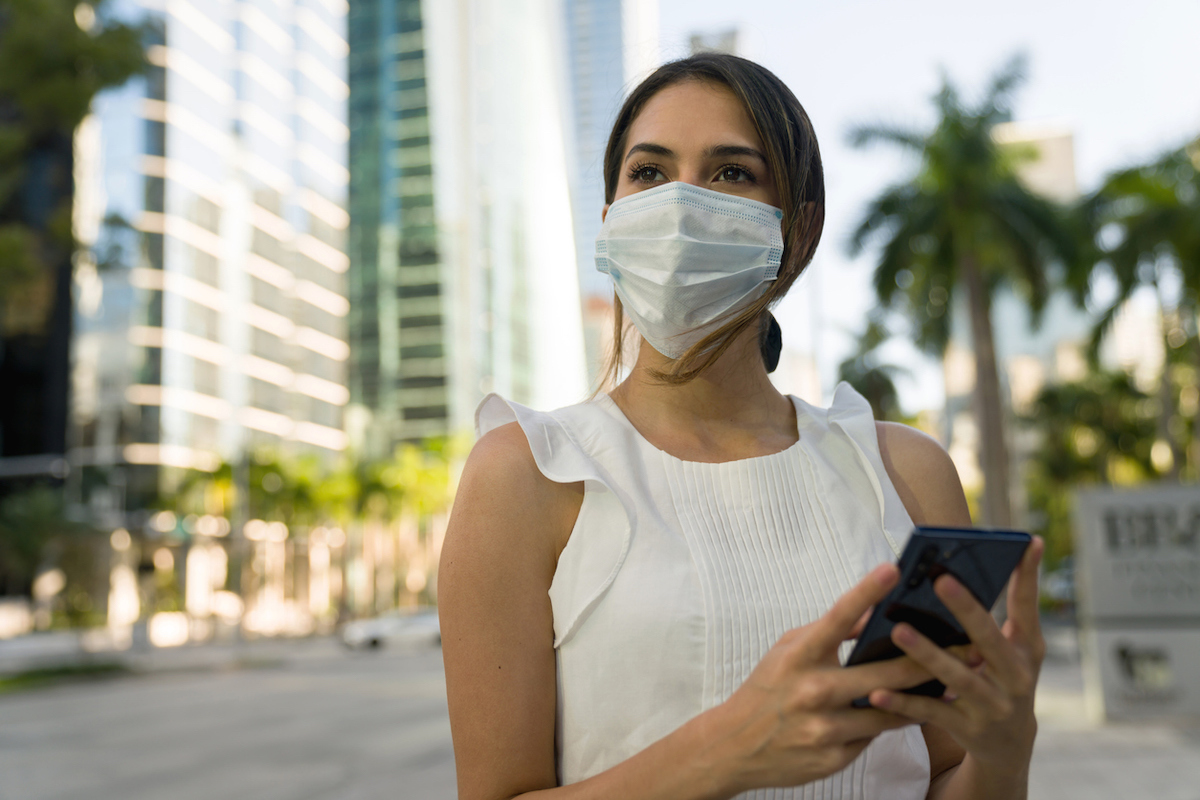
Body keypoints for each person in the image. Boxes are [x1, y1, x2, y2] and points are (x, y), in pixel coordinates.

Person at [438, 52, 1045, 800]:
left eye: (731, 173)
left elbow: (950, 774)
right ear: (610, 220)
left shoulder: (905, 472)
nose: (681, 206)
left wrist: (1006, 754)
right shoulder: (530, 471)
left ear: (798, 229)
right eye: (649, 174)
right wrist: (724, 751)